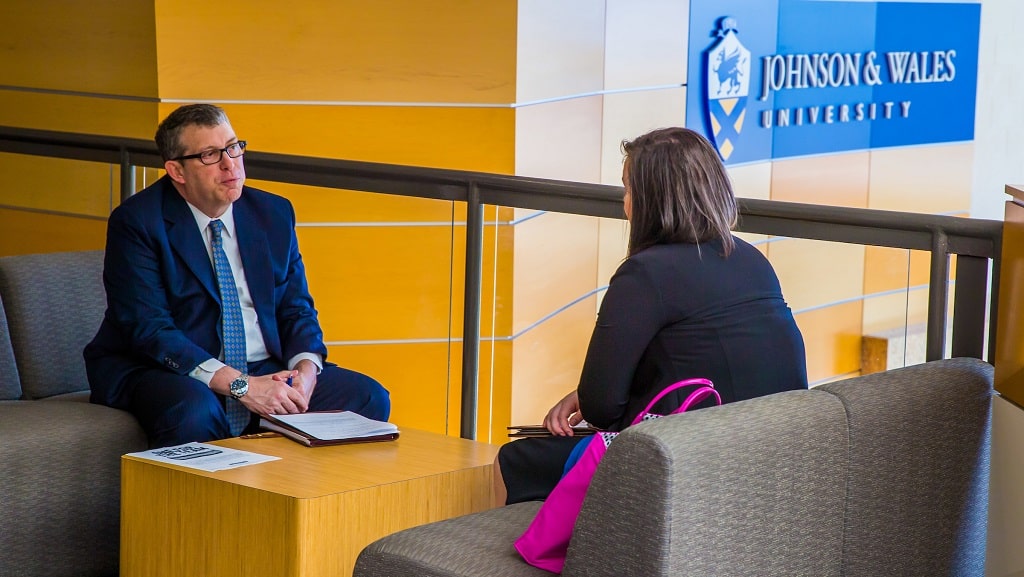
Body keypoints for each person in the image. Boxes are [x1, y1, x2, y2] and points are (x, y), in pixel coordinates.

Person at [495, 127, 808, 505]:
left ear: (652, 201)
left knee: (514, 460)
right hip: (767, 456)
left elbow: (600, 407)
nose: (624, 203)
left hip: (683, 462)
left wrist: (589, 395)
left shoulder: (645, 274)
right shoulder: (750, 258)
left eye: (628, 189)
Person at [85, 103, 390, 448]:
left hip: (263, 364)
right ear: (177, 171)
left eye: (233, 147)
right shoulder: (138, 222)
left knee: (367, 398)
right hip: (168, 367)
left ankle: (297, 500)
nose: (230, 164)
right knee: (195, 412)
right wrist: (243, 386)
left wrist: (305, 373)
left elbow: (296, 307)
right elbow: (149, 329)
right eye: (211, 155)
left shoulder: (272, 213)